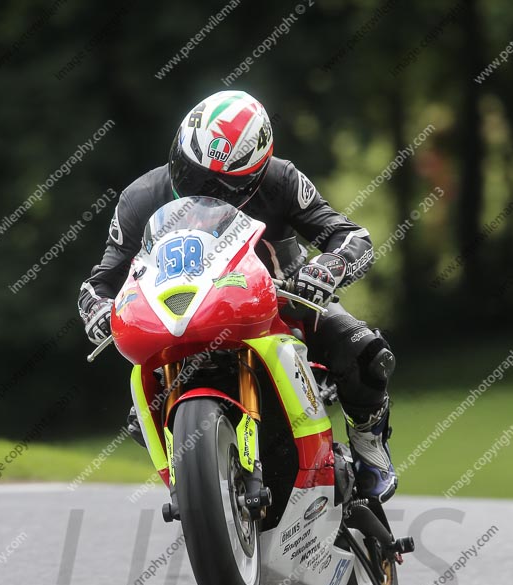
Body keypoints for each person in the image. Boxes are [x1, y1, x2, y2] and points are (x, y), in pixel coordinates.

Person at [78, 90, 397, 502]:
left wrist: (327, 267)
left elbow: (351, 235)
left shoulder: (282, 179)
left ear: (255, 176)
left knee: (367, 353)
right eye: (190, 172)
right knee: (141, 414)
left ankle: (369, 441)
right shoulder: (139, 198)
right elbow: (100, 281)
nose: (199, 190)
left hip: (283, 300)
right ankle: (196, 479)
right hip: (187, 312)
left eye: (218, 185)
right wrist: (97, 308)